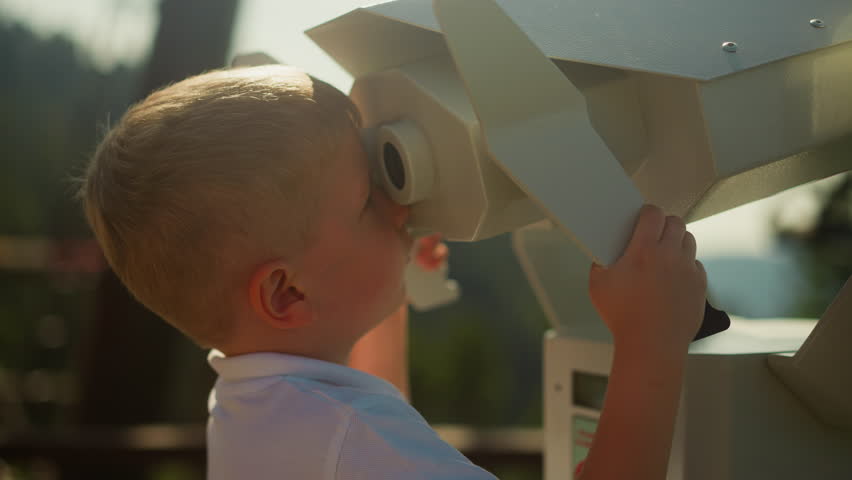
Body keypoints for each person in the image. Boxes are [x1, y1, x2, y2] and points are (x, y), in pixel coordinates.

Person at [78, 64, 706, 480]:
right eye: (367, 202)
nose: (397, 203)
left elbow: (373, 410)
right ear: (286, 291)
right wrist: (651, 339)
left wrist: (390, 287)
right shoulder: (348, 440)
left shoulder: (256, 408)